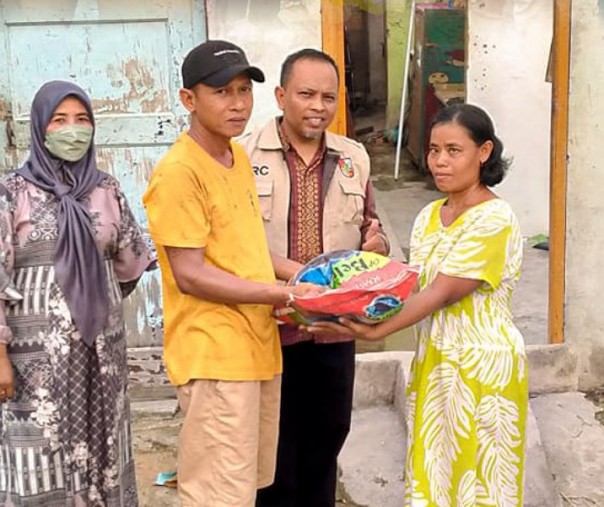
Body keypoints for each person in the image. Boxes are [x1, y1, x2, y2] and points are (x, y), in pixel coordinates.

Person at [308, 103, 528, 506]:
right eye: (433, 150)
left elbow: (440, 292)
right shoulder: (429, 215)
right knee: (434, 480)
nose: (439, 162)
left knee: (479, 484)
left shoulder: (495, 218)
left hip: (483, 368)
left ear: (484, 152)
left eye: (453, 150)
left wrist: (375, 331)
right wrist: (363, 273)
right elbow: (409, 284)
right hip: (434, 363)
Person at [142, 40, 318, 507]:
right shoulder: (179, 172)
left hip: (254, 347)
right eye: (221, 91)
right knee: (216, 494)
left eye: (244, 90)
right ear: (188, 100)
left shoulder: (235, 157)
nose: (238, 103)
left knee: (244, 487)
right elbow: (190, 274)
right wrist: (279, 295)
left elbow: (245, 245)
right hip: (214, 355)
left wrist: (309, 274)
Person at [241, 48, 390, 507]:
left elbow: (370, 224)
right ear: (282, 95)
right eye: (306, 94)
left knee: (327, 442)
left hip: (332, 329)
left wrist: (376, 246)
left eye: (329, 96)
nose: (318, 106)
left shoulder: (354, 157)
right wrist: (301, 278)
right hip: (269, 327)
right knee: (275, 456)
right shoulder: (241, 157)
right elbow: (236, 247)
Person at [0, 80, 155, 506]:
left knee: (105, 441)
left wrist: (92, 300)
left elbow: (129, 263)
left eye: (83, 120)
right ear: (40, 127)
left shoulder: (105, 189)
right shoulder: (11, 193)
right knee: (40, 449)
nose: (73, 130)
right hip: (35, 360)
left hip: (101, 355)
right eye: (60, 120)